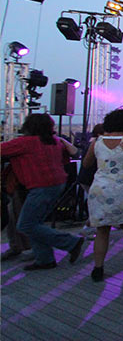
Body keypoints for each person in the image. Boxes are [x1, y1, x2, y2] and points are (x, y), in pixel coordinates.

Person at [0, 114, 85, 270]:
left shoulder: (26, 143)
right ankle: (45, 259)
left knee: (26, 225)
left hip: (41, 186)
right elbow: (67, 159)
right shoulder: (55, 142)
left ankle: (71, 242)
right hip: (57, 184)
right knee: (36, 223)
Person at [81, 110, 123, 282]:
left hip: (101, 189)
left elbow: (87, 163)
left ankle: (98, 268)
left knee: (102, 230)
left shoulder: (97, 141)